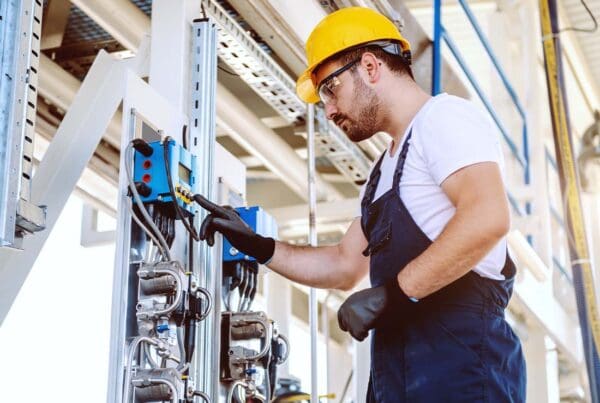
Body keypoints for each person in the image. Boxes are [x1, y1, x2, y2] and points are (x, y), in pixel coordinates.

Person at [195, 6, 526, 402]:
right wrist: (260, 247)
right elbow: (344, 264)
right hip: (398, 382)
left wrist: (394, 294)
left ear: (370, 66)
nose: (329, 110)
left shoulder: (444, 119)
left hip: (463, 377)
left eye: (331, 89)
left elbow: (487, 217)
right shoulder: (381, 173)